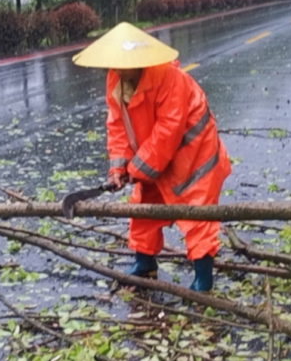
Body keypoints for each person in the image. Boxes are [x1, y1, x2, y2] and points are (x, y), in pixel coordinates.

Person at [72, 22, 231, 291]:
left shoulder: (171, 80)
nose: (120, 70)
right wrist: (118, 169)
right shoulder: (116, 80)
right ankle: (145, 263)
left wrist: (135, 170)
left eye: (125, 65)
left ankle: (203, 278)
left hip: (194, 157)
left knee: (197, 213)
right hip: (154, 158)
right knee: (143, 207)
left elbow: (167, 132)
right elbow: (117, 125)